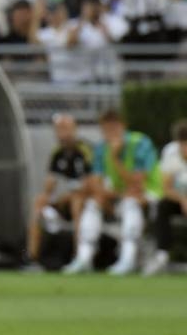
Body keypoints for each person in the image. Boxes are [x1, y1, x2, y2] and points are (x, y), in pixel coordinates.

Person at [64, 110, 162, 275]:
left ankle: (127, 259)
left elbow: (137, 185)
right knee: (93, 203)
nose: (110, 134)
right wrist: (109, 196)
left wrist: (116, 158)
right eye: (106, 130)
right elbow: (96, 183)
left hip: (149, 196)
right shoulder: (101, 149)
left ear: (123, 126)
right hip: (120, 197)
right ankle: (84, 257)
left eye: (113, 129)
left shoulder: (140, 143)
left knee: (131, 203)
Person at [27, 114, 92, 269]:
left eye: (65, 129)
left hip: (86, 201)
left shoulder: (85, 150)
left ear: (74, 130)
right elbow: (51, 182)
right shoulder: (57, 153)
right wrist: (45, 198)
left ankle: (78, 257)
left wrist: (70, 194)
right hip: (66, 201)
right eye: (59, 129)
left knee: (77, 203)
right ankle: (32, 258)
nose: (62, 133)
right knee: (39, 203)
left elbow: (91, 184)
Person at [145, 120, 187, 276]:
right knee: (162, 206)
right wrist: (183, 199)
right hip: (177, 199)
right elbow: (166, 187)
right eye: (183, 144)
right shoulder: (170, 152)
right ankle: (161, 254)